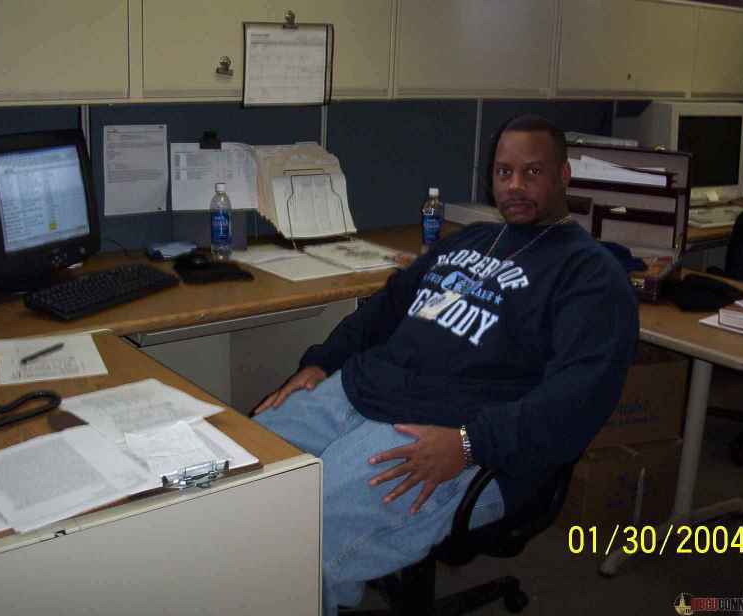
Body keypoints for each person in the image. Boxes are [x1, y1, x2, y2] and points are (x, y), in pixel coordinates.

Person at [253, 115, 639, 615]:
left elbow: (579, 398)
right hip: (361, 390)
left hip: (453, 435)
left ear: (563, 175)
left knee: (301, 539)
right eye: (503, 172)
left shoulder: (590, 275)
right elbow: (386, 307)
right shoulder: (472, 239)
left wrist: (471, 444)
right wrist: (322, 363)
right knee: (242, 477)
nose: (514, 186)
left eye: (532, 172)